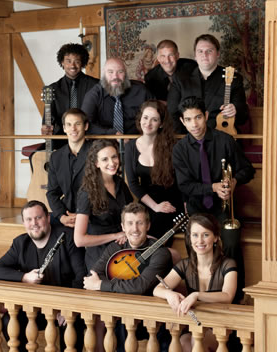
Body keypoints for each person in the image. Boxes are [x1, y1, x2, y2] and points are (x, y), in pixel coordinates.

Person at [172, 96, 255, 301]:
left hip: (222, 209)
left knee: (232, 245)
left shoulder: (224, 140)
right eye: (189, 119)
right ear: (183, 121)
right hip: (197, 209)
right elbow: (184, 185)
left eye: (198, 117)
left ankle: (236, 298)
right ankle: (198, 295)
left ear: (206, 116)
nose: (195, 124)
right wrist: (212, 187)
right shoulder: (180, 150)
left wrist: (233, 182)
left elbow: (248, 170)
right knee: (196, 248)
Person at [0, 200, 86, 352]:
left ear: (47, 218)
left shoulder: (66, 238)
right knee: (9, 321)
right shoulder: (20, 243)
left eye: (38, 218)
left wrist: (68, 307)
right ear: (24, 222)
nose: (34, 223)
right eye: (28, 219)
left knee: (72, 325)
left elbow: (81, 275)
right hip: (36, 309)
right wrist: (25, 277)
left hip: (65, 307)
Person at [84, 202, 172, 352]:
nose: (135, 229)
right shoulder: (115, 247)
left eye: (140, 223)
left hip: (153, 318)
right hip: (120, 315)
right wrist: (119, 287)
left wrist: (102, 285)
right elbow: (92, 275)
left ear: (148, 225)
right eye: (130, 223)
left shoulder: (160, 253)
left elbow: (140, 286)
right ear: (123, 227)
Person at [153, 213, 237, 352]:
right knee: (183, 342)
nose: (200, 241)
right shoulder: (185, 265)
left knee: (197, 338)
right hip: (197, 326)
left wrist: (196, 295)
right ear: (190, 238)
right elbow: (157, 289)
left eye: (205, 235)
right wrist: (169, 294)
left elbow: (227, 296)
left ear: (215, 237)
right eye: (195, 235)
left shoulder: (227, 264)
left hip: (222, 328)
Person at [125, 99, 184, 242]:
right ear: (140, 119)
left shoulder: (172, 146)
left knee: (155, 225)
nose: (148, 123)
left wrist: (164, 207)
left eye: (154, 120)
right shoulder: (131, 147)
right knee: (137, 223)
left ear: (161, 124)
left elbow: (182, 181)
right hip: (148, 201)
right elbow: (133, 183)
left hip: (171, 200)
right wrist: (155, 206)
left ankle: (156, 262)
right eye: (145, 118)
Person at [167, 34, 249, 133]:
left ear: (218, 53)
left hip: (222, 137)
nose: (204, 55)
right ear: (195, 56)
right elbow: (172, 113)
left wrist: (235, 109)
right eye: (200, 51)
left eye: (209, 51)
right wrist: (185, 140)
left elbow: (243, 116)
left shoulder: (234, 79)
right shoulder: (180, 79)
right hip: (189, 139)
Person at [74, 139, 133, 272]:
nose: (112, 163)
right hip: (100, 256)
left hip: (124, 247)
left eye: (114, 157)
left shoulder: (120, 184)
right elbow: (79, 240)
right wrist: (116, 235)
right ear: (96, 163)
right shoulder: (86, 192)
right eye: (105, 159)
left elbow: (131, 214)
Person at [42, 43, 98, 149]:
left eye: (77, 61)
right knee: (35, 155)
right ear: (62, 63)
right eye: (68, 61)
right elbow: (48, 121)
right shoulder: (52, 89)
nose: (72, 65)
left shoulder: (96, 86)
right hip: (62, 141)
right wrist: (46, 128)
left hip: (90, 138)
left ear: (82, 63)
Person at [81, 57, 154, 135]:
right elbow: (85, 124)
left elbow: (156, 115)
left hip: (136, 141)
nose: (115, 77)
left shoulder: (141, 91)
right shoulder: (94, 94)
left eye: (120, 72)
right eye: (110, 72)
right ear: (104, 74)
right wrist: (113, 134)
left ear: (125, 73)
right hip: (104, 142)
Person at [46, 108, 91, 227]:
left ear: (85, 126)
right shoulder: (56, 157)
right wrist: (62, 216)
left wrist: (83, 216)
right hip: (67, 214)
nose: (73, 129)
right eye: (69, 125)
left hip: (93, 216)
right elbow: (52, 193)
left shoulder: (96, 153)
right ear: (64, 128)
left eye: (78, 124)